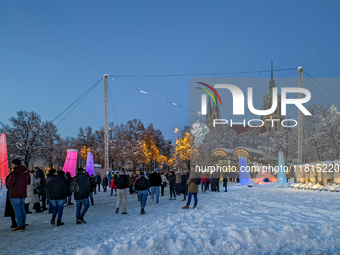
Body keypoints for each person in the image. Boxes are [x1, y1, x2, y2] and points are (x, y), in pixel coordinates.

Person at [7, 159, 30, 232]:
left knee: (17, 210)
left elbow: (10, 183)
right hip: (23, 192)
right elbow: (28, 182)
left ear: (15, 165)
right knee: (22, 209)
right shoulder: (26, 173)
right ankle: (23, 223)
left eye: (12, 164)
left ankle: (20, 225)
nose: (11, 165)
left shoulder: (14, 173)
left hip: (14, 193)